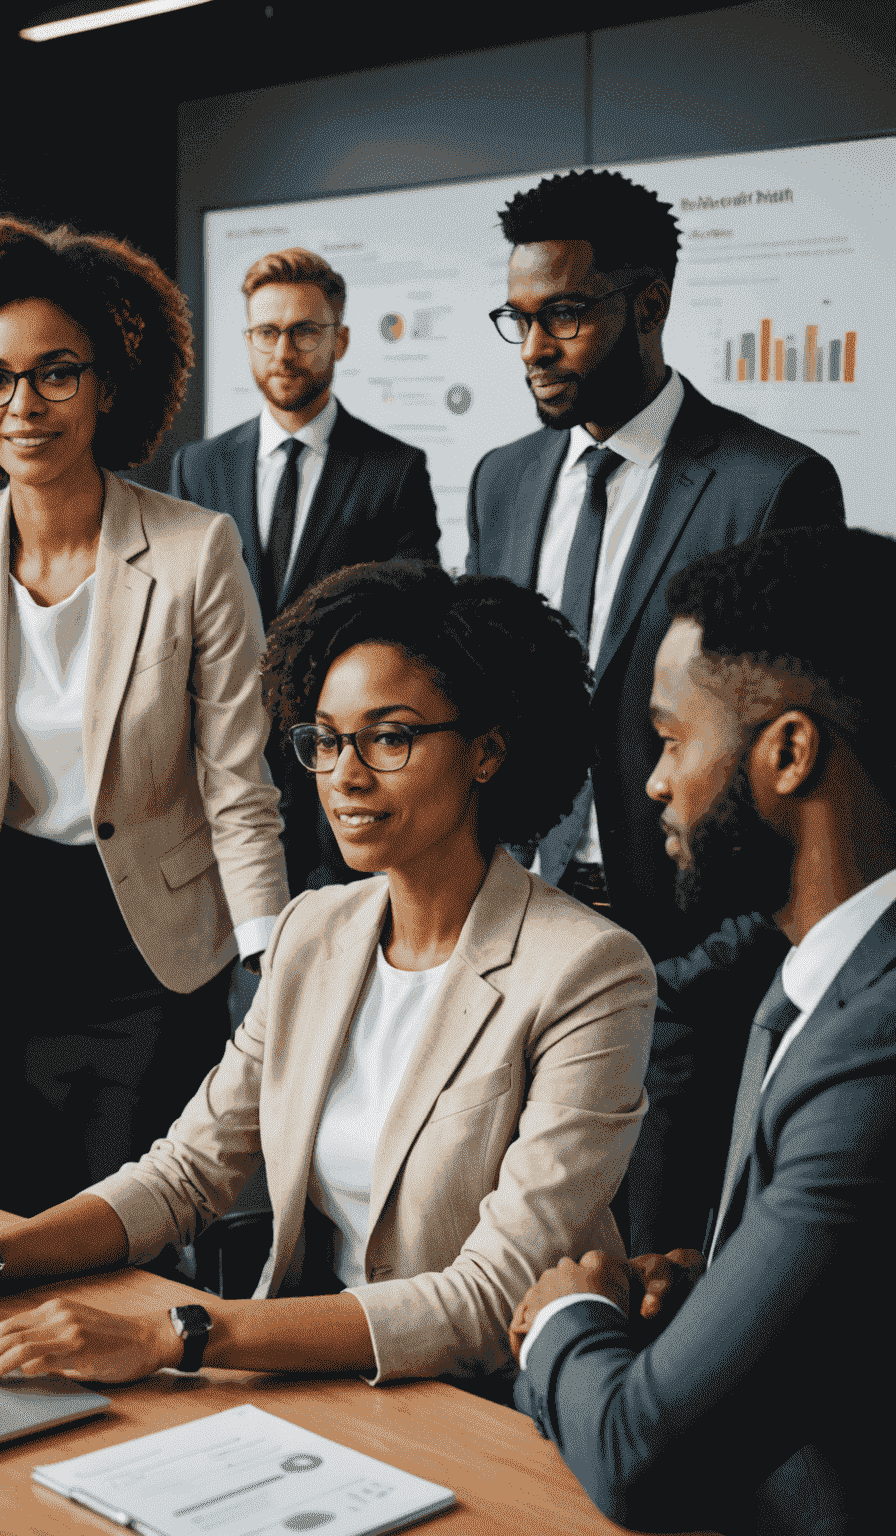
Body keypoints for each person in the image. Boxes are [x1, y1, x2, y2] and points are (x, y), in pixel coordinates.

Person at [0, 561, 654, 1391]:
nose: (345, 775)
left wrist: (170, 1335)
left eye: (389, 737)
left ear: (488, 751)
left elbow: (488, 1296)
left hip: (484, 1399)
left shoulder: (588, 972)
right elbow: (185, 1174)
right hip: (306, 1367)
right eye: (324, 739)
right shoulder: (315, 931)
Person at [465, 168, 845, 1253]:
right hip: (517, 944)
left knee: (649, 1281)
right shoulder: (502, 479)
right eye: (520, 319)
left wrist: (690, 981)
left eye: (566, 315)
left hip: (676, 965)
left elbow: (797, 779)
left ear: (650, 304)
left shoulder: (770, 486)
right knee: (500, 1272)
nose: (536, 346)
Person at [0, 217, 289, 1218]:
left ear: (109, 383)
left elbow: (241, 791)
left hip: (150, 963)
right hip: (1, 954)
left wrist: (282, 987)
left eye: (57, 373)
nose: (25, 406)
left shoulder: (197, 551)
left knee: (125, 1246)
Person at [510, 526, 896, 1535]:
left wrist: (562, 1317)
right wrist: (719, 1301)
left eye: (674, 738)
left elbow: (646, 1458)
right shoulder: (826, 975)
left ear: (790, 752)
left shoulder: (876, 1040)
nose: (653, 782)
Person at [170, 248, 440, 892]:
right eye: (265, 333)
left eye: (303, 332)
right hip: (221, 767)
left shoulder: (394, 470)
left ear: (339, 340)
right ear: (248, 339)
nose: (282, 352)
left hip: (337, 765)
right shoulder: (198, 469)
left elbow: (412, 616)